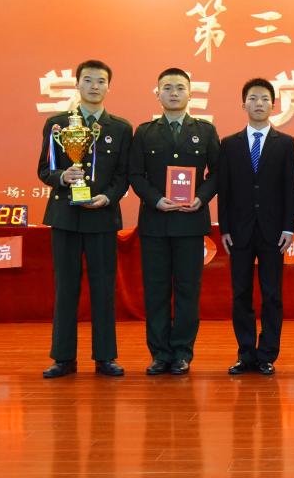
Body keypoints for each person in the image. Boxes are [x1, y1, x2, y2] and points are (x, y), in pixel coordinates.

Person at [37, 59, 132, 378]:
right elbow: (44, 169)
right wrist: (62, 176)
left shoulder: (120, 128)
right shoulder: (57, 124)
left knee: (104, 289)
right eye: (88, 80)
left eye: (101, 81)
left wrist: (109, 197)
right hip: (65, 216)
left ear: (109, 86)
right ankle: (63, 358)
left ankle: (105, 357)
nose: (94, 86)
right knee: (66, 287)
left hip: (102, 217)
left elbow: (123, 175)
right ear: (77, 84)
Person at [129, 68, 220, 376]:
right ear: (158, 94)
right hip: (155, 222)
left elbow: (217, 174)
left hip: (190, 223)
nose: (174, 93)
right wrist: (156, 199)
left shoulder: (205, 130)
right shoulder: (145, 132)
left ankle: (182, 352)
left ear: (190, 93)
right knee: (155, 290)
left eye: (180, 87)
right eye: (167, 88)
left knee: (187, 290)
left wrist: (201, 198)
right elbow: (135, 174)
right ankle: (159, 354)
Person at [218, 78, 294, 376]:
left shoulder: (285, 143)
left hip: (273, 232)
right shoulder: (229, 144)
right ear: (244, 104)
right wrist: (225, 228)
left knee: (271, 294)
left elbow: (291, 188)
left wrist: (289, 227)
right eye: (253, 98)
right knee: (240, 293)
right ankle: (245, 353)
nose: (259, 103)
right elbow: (224, 189)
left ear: (273, 105)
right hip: (238, 231)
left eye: (264, 98)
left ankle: (267, 355)